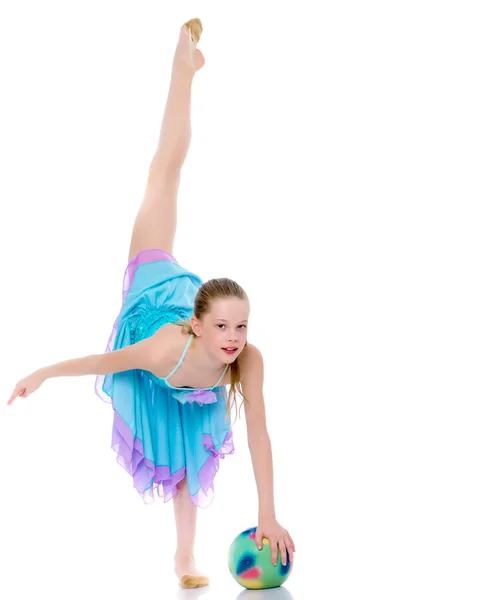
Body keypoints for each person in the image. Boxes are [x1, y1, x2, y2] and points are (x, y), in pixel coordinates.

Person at [7, 18, 295, 589]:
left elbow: (259, 433)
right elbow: (98, 364)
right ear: (199, 324)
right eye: (223, 328)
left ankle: (183, 559)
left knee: (188, 464)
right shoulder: (164, 344)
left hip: (189, 372)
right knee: (166, 171)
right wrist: (39, 373)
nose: (235, 338)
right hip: (153, 282)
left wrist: (267, 511)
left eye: (241, 326)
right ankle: (181, 65)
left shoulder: (247, 357)